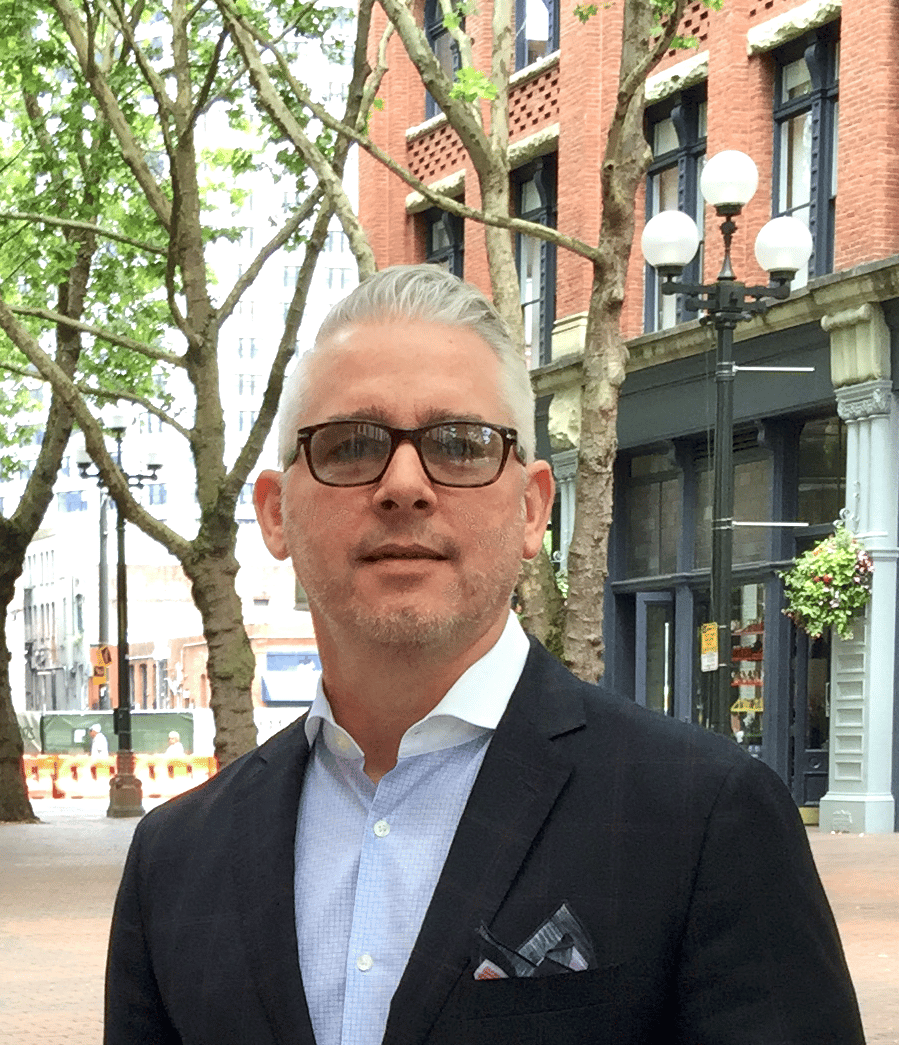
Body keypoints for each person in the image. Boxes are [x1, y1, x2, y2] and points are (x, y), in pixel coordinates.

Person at [105, 265, 865, 1045]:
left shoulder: (704, 816)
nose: (404, 484)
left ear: (533, 506)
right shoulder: (175, 859)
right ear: (274, 512)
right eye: (351, 444)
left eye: (461, 445)